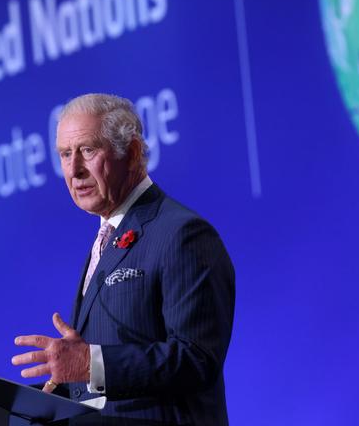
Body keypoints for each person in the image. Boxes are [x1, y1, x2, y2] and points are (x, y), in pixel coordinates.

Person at [12, 94, 235, 425]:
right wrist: (36, 401)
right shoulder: (106, 239)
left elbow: (196, 359)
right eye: (64, 154)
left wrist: (91, 364)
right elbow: (110, 378)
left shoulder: (181, 234)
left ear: (131, 153)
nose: (74, 170)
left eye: (88, 150)